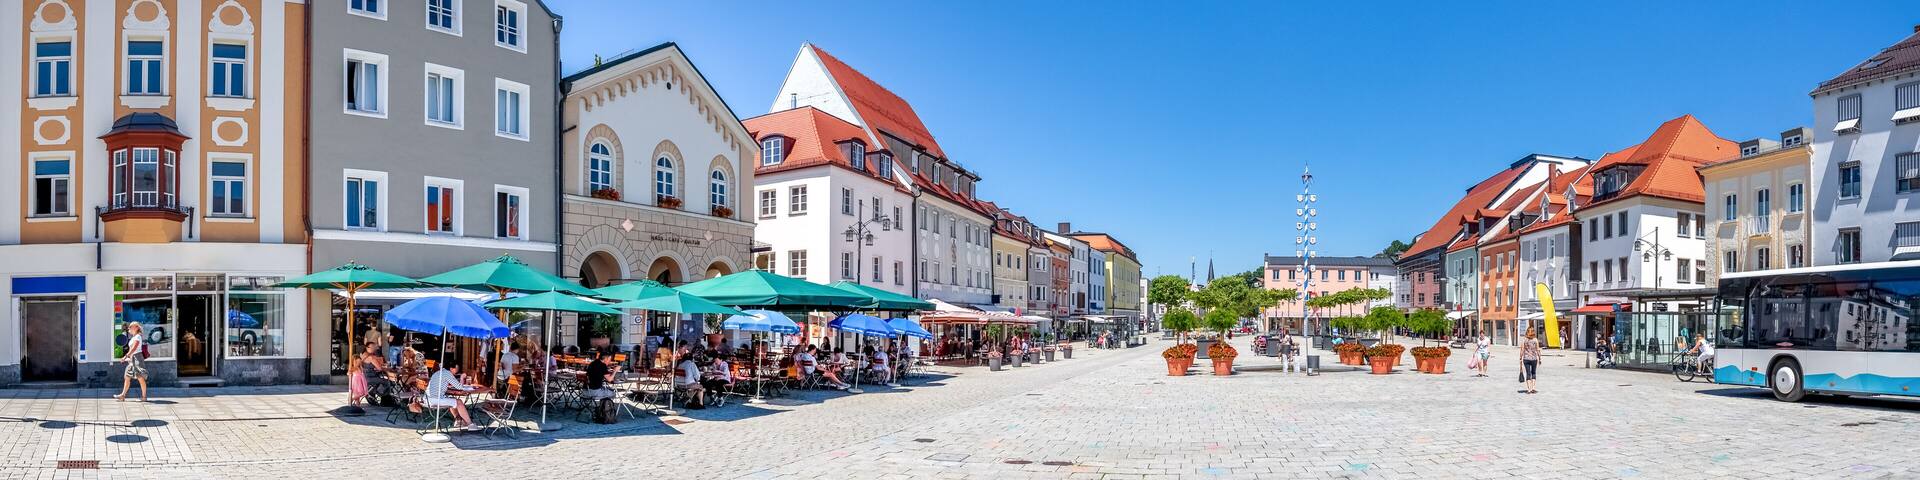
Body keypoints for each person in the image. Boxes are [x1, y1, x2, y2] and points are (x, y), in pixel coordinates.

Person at [425, 363, 480, 430]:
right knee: (459, 402)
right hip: (435, 399)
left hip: (427, 399)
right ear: (451, 368)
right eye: (456, 369)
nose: (456, 371)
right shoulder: (447, 373)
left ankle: (458, 420)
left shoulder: (438, 372)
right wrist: (462, 378)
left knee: (452, 399)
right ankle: (470, 424)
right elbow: (459, 387)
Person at [116, 322, 150, 402]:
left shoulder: (138, 337)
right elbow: (132, 350)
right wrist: (129, 358)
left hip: (137, 358)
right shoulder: (133, 337)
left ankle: (144, 397)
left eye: (130, 327)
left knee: (140, 378)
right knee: (127, 376)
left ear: (136, 328)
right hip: (132, 359)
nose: (129, 328)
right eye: (129, 327)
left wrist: (125, 356)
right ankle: (122, 395)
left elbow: (134, 349)